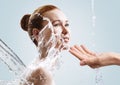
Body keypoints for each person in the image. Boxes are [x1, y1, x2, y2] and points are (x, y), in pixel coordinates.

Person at [19, 4, 70, 85]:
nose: (66, 31)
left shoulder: (37, 68)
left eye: (66, 24)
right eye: (56, 25)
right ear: (37, 34)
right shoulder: (42, 74)